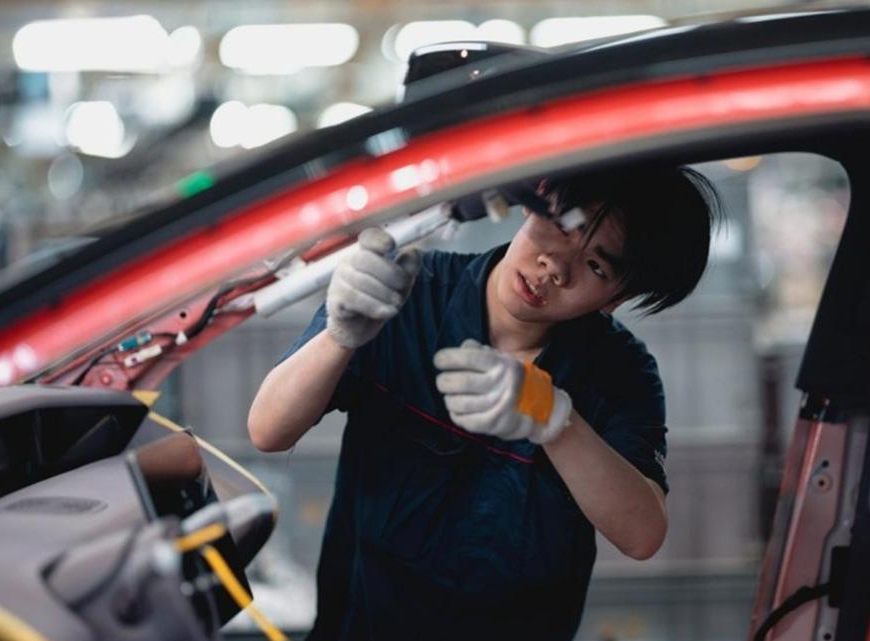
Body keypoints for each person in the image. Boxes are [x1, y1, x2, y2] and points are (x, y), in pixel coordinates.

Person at [247, 164, 719, 641]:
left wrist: (556, 421)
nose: (556, 266)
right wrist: (339, 337)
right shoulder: (409, 293)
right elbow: (268, 429)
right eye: (561, 226)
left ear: (616, 299)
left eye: (596, 266)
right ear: (537, 195)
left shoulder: (619, 373)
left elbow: (642, 534)